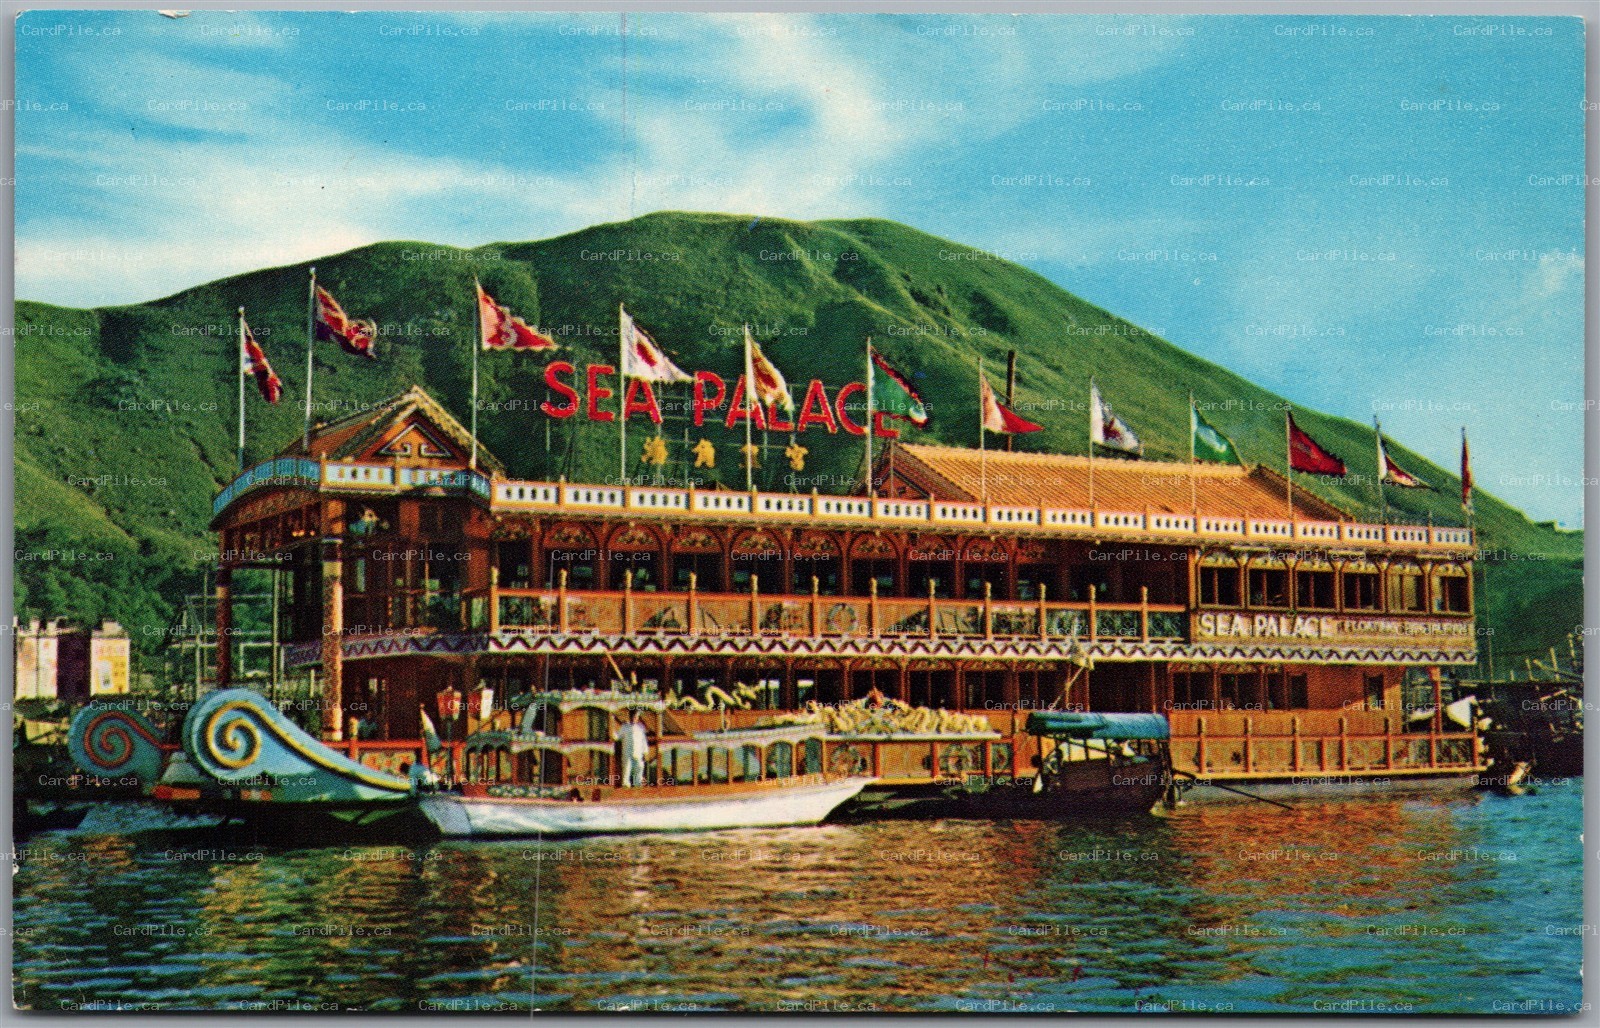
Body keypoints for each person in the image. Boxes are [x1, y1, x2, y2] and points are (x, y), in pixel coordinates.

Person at [615, 710, 650, 788]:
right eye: (633, 717)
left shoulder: (641, 727)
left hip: (638, 752)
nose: (635, 718)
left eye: (636, 717)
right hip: (627, 752)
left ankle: (638, 786)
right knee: (627, 769)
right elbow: (617, 736)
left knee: (639, 769)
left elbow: (644, 740)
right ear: (630, 717)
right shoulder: (625, 727)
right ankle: (626, 786)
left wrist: (645, 751)